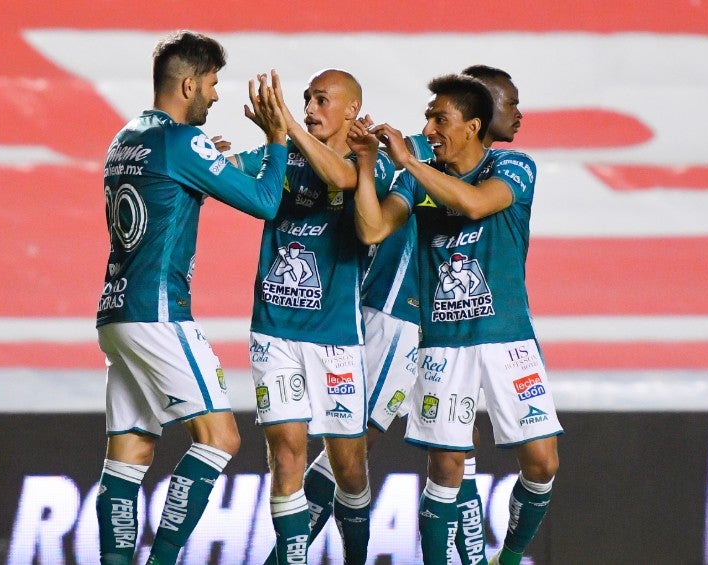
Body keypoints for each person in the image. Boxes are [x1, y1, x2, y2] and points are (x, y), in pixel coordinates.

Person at [348, 73, 562, 565]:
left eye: (439, 118)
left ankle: (506, 558)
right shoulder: (416, 178)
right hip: (442, 346)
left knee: (542, 462)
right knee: (446, 469)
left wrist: (407, 161)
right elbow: (373, 228)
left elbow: (473, 202)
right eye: (428, 117)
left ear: (472, 126)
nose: (428, 128)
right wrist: (365, 166)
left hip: (507, 339)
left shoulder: (512, 165)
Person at [93, 30, 289, 565]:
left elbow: (180, 182)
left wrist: (213, 162)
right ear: (187, 83)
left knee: (129, 454)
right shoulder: (181, 143)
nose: (217, 94)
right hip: (159, 312)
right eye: (212, 83)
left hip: (116, 311)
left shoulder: (127, 137)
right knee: (219, 438)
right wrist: (277, 140)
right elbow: (267, 203)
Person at [231, 68, 394, 564]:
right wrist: (209, 156)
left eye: (321, 100)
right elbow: (228, 170)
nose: (309, 108)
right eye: (305, 100)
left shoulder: (374, 165)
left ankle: (355, 556)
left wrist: (287, 129)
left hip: (336, 337)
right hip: (274, 331)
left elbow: (343, 178)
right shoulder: (282, 155)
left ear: (350, 110)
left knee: (349, 469)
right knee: (286, 456)